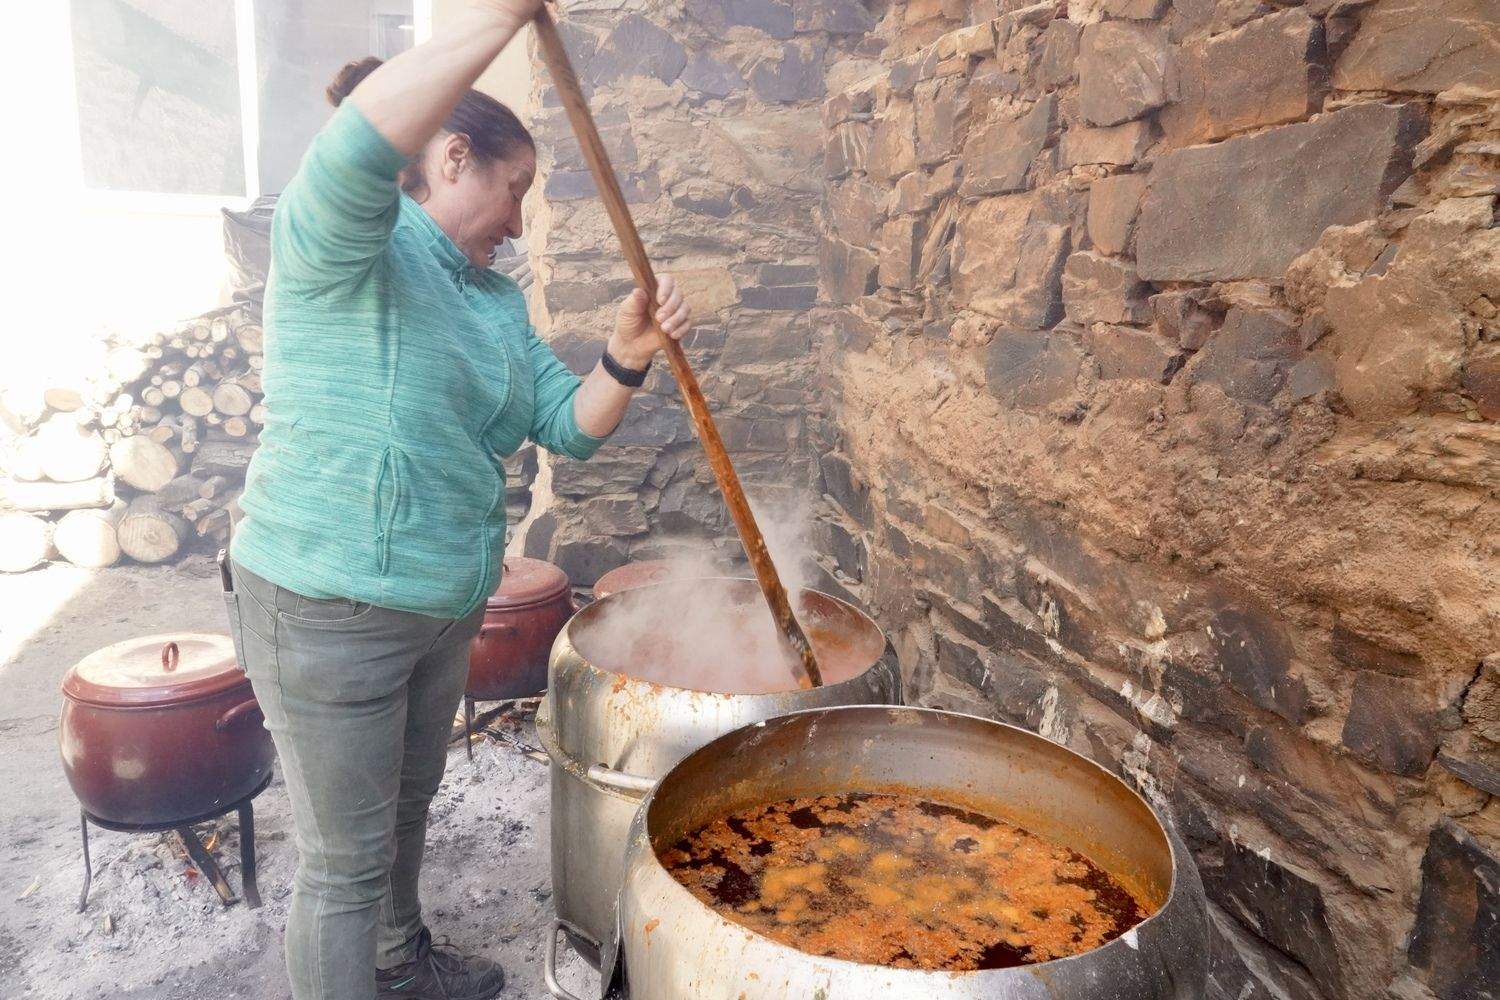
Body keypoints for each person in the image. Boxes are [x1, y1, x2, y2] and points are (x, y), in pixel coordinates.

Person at [221, 2, 691, 997]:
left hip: (441, 607)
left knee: (404, 809)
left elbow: (568, 420)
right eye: (513, 187)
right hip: (327, 608)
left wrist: (627, 354)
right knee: (344, 867)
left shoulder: (492, 299)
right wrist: (497, 24)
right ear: (450, 160)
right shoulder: (346, 241)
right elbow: (353, 153)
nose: (521, 218)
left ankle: (399, 965)